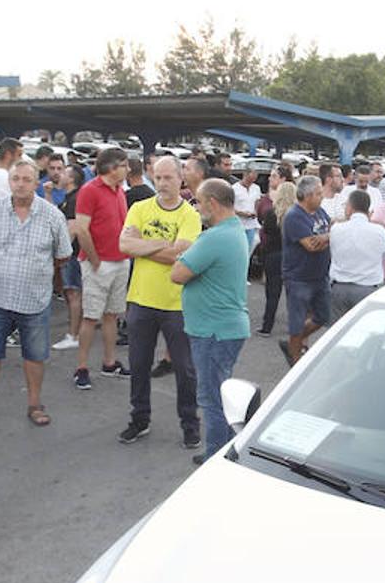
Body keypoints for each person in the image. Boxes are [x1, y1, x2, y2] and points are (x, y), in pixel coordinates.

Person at [0, 159, 71, 432]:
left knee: (34, 356)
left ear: (36, 182)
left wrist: (36, 270)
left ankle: (34, 405)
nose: (20, 184)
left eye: (26, 180)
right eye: (16, 179)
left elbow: (63, 255)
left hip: (34, 300)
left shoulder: (51, 215)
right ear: (10, 182)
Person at [116, 156, 202, 447]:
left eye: (169, 178)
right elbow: (124, 245)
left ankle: (190, 423)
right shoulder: (139, 208)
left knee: (185, 369)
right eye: (159, 177)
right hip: (140, 300)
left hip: (177, 303)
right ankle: (139, 420)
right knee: (138, 365)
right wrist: (164, 245)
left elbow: (181, 256)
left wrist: (144, 247)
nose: (163, 183)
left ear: (181, 180)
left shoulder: (189, 215)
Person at [171, 178, 250, 461]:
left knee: (211, 398)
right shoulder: (234, 230)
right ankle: (226, 450)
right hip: (224, 328)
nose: (196, 207)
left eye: (199, 202)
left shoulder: (214, 236)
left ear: (213, 203)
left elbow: (178, 273)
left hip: (213, 330)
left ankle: (216, 459)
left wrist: (183, 258)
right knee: (221, 394)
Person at [72, 147, 132, 388]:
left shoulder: (119, 191)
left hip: (119, 260)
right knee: (90, 316)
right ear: (112, 167)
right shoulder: (89, 191)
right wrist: (95, 260)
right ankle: (81, 367)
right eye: (125, 165)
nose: (128, 169)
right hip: (100, 263)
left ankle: (109, 362)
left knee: (111, 315)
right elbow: (81, 228)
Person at [279, 174, 332, 366]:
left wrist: (325, 237)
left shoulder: (320, 212)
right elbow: (311, 245)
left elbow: (330, 231)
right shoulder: (294, 216)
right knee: (297, 321)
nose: (322, 197)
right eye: (318, 193)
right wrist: (329, 238)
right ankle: (295, 359)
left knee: (323, 316)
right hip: (299, 278)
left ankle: (294, 343)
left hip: (320, 276)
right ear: (307, 195)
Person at [328, 189, 385, 320]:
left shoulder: (337, 228)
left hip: (340, 287)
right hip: (367, 287)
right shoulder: (379, 231)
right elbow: (383, 255)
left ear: (350, 207)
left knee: (337, 331)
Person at [50, 163, 86, 351]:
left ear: (71, 178)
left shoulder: (74, 199)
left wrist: (60, 254)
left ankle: (74, 334)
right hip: (72, 253)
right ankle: (75, 332)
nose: (59, 174)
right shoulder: (68, 197)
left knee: (73, 292)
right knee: (72, 292)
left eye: (63, 172)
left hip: (72, 254)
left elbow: (72, 229)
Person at [258, 171, 295, 335]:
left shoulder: (272, 214)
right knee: (292, 293)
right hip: (292, 256)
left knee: (272, 292)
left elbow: (266, 232)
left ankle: (267, 326)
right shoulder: (297, 215)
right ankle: (294, 326)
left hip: (273, 254)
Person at [233, 166, 262, 253]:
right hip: (238, 224)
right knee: (238, 249)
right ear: (244, 175)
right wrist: (241, 213)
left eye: (253, 180)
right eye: (249, 180)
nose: (251, 182)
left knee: (248, 250)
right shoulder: (234, 188)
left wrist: (256, 211)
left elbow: (257, 201)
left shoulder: (256, 188)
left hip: (251, 225)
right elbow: (229, 207)